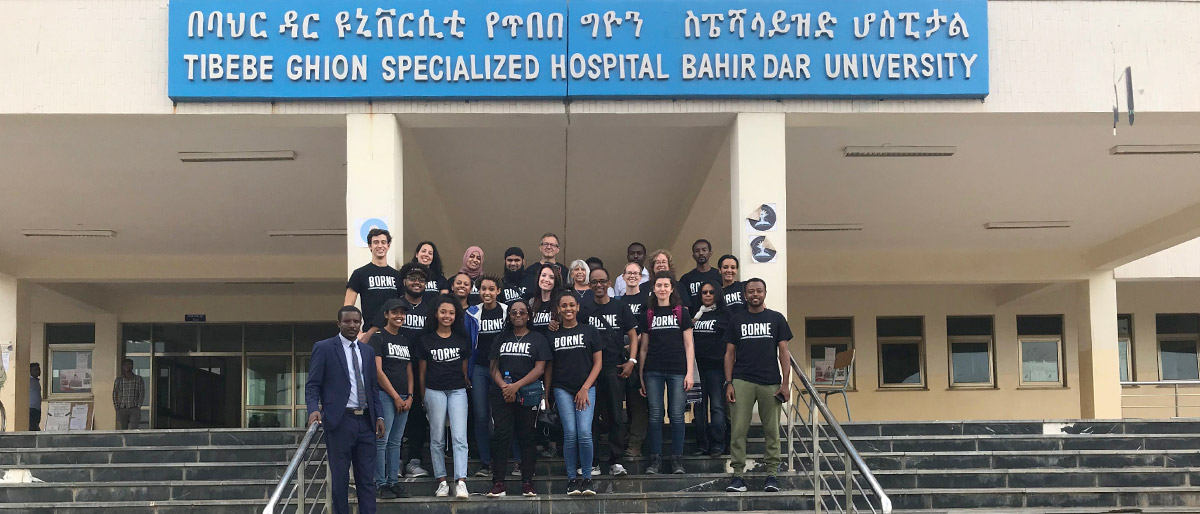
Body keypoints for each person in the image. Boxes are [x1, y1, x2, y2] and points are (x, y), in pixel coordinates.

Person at [305, 306, 385, 514]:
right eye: (347, 321)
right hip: (340, 421)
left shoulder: (367, 351)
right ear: (338, 323)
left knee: (367, 480)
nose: (352, 325)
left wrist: (379, 415)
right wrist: (313, 410)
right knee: (340, 481)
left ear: (361, 324)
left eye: (356, 322)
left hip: (366, 422)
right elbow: (313, 384)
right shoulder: (324, 348)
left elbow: (372, 387)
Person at [724, 278, 793, 494]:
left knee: (772, 430)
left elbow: (784, 352)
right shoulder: (736, 320)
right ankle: (738, 476)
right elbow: (729, 354)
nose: (755, 294)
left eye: (759, 291)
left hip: (770, 381)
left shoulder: (776, 318)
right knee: (738, 430)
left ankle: (772, 475)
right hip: (742, 380)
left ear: (765, 293)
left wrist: (785, 383)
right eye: (751, 291)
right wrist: (729, 383)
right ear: (745, 295)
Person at [486, 299, 551, 498]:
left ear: (528, 315)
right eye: (514, 312)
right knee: (501, 436)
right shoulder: (501, 337)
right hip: (502, 394)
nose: (517, 315)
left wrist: (516, 386)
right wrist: (505, 387)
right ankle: (498, 482)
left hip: (527, 394)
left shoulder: (538, 339)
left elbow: (540, 368)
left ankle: (528, 482)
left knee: (527, 438)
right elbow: (493, 367)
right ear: (509, 316)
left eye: (522, 312)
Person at [545, 293, 604, 496]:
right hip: (561, 388)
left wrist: (585, 388)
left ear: (578, 307)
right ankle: (572, 480)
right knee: (570, 433)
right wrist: (546, 393)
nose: (568, 308)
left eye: (572, 305)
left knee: (585, 433)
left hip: (587, 388)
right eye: (564, 305)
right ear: (559, 309)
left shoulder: (590, 331)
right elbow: (549, 367)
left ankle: (587, 478)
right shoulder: (552, 333)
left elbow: (598, 363)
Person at [637, 272, 695, 475]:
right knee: (655, 415)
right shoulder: (648, 314)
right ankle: (655, 460)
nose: (662, 289)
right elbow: (643, 347)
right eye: (658, 285)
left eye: (666, 285)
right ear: (653, 289)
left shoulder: (681, 313)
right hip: (653, 370)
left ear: (672, 289)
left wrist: (690, 373)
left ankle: (677, 460)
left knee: (677, 415)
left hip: (678, 370)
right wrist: (641, 375)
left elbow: (689, 344)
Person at [584, 267, 638, 476]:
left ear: (609, 284)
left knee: (616, 416)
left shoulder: (620, 307)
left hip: (615, 368)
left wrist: (631, 360)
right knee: (593, 417)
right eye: (594, 282)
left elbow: (633, 335)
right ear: (590, 285)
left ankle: (616, 460)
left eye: (602, 281)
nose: (599, 285)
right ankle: (594, 461)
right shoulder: (585, 310)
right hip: (591, 371)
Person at [418, 295, 472, 499]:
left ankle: (461, 482)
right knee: (437, 438)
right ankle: (441, 481)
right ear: (436, 314)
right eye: (443, 312)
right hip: (434, 390)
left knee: (459, 437)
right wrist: (423, 397)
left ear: (456, 315)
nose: (447, 316)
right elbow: (422, 373)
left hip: (458, 390)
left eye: (451, 312)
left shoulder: (462, 339)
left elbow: (464, 370)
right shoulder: (425, 340)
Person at [370, 299, 414, 499]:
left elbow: (409, 370)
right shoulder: (379, 338)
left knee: (396, 442)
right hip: (385, 396)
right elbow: (378, 371)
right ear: (386, 314)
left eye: (402, 313)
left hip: (405, 397)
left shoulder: (404, 340)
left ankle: (393, 482)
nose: (399, 316)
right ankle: (380, 483)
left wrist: (410, 396)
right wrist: (395, 396)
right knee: (382, 440)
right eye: (394, 312)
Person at [466, 275, 508, 478]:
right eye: (483, 289)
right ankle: (485, 462)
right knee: (481, 416)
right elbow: (467, 345)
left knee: (507, 415)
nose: (487, 293)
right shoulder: (472, 313)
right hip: (480, 370)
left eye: (491, 289)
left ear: (498, 291)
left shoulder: (508, 311)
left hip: (504, 369)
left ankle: (511, 459)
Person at [397, 263, 435, 478]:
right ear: (405, 282)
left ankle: (414, 460)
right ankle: (396, 461)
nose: (417, 282)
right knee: (396, 417)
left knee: (419, 416)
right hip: (396, 370)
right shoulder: (395, 305)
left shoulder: (430, 309)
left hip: (422, 370)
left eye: (421, 279)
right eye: (413, 278)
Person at [691, 280, 730, 457]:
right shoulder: (695, 314)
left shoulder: (725, 315)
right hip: (696, 369)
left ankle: (717, 445)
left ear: (717, 294)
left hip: (716, 369)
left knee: (716, 407)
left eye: (711, 292)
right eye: (704, 292)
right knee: (699, 408)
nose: (707, 295)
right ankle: (702, 445)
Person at [346, 228, 401, 342]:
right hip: (370, 333)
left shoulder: (397, 275)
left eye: (383, 242)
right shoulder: (359, 274)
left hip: (394, 333)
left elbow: (403, 305)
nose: (380, 245)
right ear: (370, 246)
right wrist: (358, 332)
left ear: (388, 246)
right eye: (376, 242)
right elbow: (347, 306)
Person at [618, 261, 649, 457]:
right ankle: (621, 440)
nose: (632, 276)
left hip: (641, 356)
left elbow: (647, 327)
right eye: (628, 273)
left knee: (638, 402)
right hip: (619, 355)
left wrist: (633, 344)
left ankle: (635, 443)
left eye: (635, 273)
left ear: (641, 277)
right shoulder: (617, 301)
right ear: (623, 276)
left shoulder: (648, 300)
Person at [680, 239, 720, 312]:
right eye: (697, 251)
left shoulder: (719, 275)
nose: (701, 253)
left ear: (710, 253)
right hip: (694, 320)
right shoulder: (686, 279)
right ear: (693, 256)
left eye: (704, 250)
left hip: (716, 319)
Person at [528, 263, 563, 336]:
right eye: (543, 275)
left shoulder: (560, 302)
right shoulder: (531, 302)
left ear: (556, 281)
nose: (546, 279)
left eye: (551, 277)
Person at [113, 358, 145, 430]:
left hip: (134, 408)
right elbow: (115, 393)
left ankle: (132, 441)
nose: (129, 366)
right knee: (124, 429)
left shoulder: (138, 379)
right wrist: (116, 406)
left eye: (130, 365)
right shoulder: (119, 380)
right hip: (122, 408)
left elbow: (141, 393)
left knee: (133, 429)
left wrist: (138, 406)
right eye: (127, 365)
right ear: (123, 367)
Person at [29, 363, 41, 431]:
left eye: (39, 369)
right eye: (35, 369)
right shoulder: (27, 381)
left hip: (37, 408)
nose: (38, 371)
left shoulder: (36, 381)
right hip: (30, 408)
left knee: (36, 424)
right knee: (32, 427)